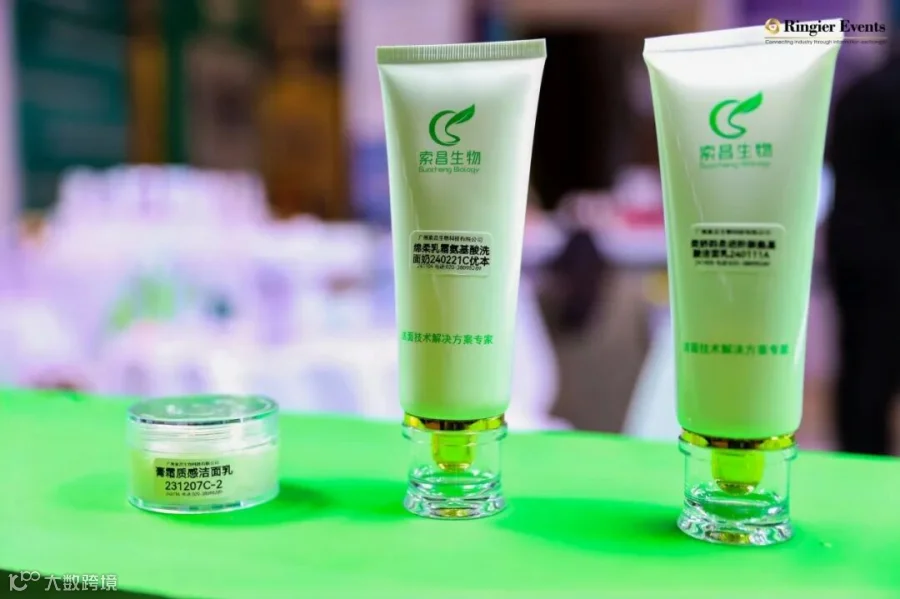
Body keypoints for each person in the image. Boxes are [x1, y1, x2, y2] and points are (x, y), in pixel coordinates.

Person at [826, 45, 900, 455]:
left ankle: (858, 464)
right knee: (870, 375)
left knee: (860, 372)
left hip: (852, 256)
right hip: (883, 260)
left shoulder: (857, 93)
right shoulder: (878, 95)